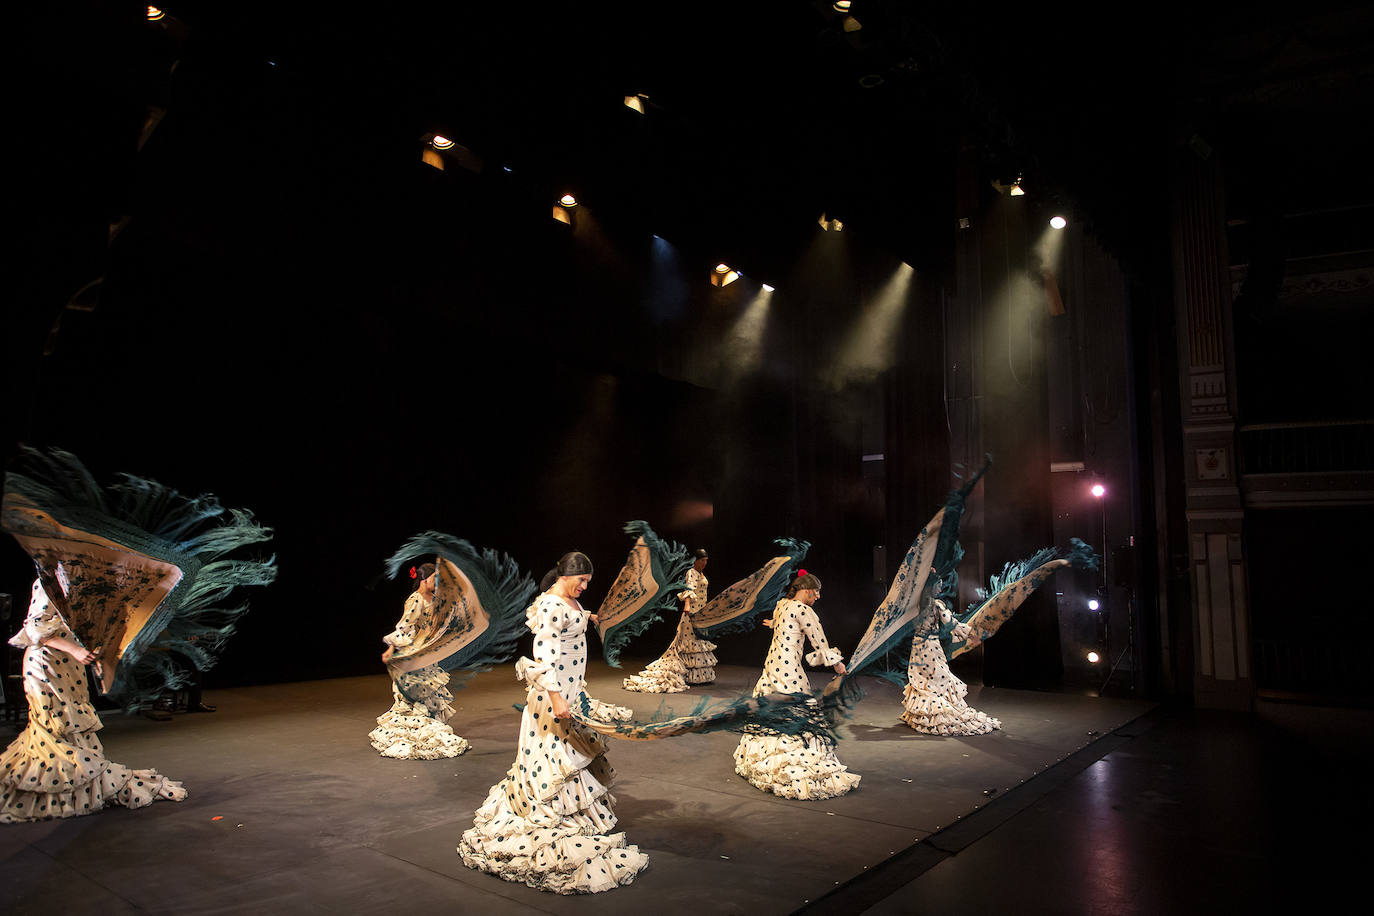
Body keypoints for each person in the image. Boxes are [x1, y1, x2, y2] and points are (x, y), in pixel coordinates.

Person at [459, 551, 648, 894]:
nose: (585, 586)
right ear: (566, 575)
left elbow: (571, 617)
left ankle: (569, 814)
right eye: (582, 580)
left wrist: (589, 616)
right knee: (555, 759)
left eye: (588, 581)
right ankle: (549, 814)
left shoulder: (567, 603)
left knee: (570, 758)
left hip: (571, 693)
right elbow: (544, 653)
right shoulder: (550, 606)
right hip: (553, 697)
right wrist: (557, 698)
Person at [0, 580, 186, 823]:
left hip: (70, 667)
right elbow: (36, 628)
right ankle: (54, 791)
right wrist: (75, 650)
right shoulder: (47, 583)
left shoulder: (80, 583)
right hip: (46, 666)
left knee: (71, 728)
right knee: (52, 729)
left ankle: (73, 787)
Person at [733, 570, 860, 800]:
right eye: (817, 592)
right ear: (807, 590)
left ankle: (767, 758)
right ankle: (791, 764)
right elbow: (819, 642)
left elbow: (783, 624)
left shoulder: (782, 605)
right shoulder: (803, 610)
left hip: (773, 664)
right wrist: (838, 665)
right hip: (788, 668)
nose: (818, 597)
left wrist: (773, 623)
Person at [369, 562, 471, 759]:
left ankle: (428, 729)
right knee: (416, 694)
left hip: (427, 654)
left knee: (429, 692)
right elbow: (403, 627)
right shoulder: (416, 600)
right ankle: (413, 733)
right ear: (424, 580)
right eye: (435, 578)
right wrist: (391, 649)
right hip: (415, 655)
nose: (438, 582)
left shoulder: (434, 599)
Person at [621, 547, 717, 693]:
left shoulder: (701, 574)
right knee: (689, 641)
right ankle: (687, 673)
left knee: (698, 640)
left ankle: (696, 675)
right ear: (695, 560)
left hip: (701, 611)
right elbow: (689, 589)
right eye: (702, 560)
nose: (704, 563)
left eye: (706, 560)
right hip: (692, 612)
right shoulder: (691, 572)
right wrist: (687, 605)